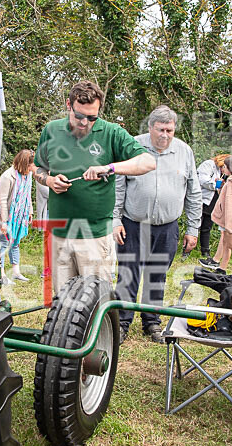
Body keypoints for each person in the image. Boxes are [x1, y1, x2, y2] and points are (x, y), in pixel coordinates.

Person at [34, 80, 156, 294]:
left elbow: (148, 162)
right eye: (79, 116)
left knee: (95, 302)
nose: (85, 123)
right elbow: (37, 168)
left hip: (95, 236)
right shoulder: (51, 130)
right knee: (63, 302)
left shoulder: (111, 132)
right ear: (68, 105)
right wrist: (50, 181)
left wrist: (108, 168)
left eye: (92, 117)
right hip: (59, 234)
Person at [112, 105, 201, 344]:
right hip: (133, 223)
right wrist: (115, 219)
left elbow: (193, 192)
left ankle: (151, 322)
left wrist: (193, 229)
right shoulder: (133, 146)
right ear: (150, 127)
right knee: (128, 273)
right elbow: (118, 186)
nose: (165, 135)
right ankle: (121, 323)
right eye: (160, 129)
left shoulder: (184, 151)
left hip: (167, 226)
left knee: (157, 275)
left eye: (170, 130)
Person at [0, 149, 35, 283]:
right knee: (3, 244)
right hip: (8, 216)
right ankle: (1, 274)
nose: (32, 168)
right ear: (24, 164)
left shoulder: (27, 175)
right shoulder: (7, 176)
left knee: (15, 243)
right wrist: (4, 222)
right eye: (30, 165)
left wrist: (29, 211)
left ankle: (16, 272)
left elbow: (27, 194)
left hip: (21, 216)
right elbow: (2, 200)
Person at [197, 153, 230, 268]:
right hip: (202, 198)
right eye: (222, 167)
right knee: (196, 223)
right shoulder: (208, 165)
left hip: (214, 200)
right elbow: (203, 181)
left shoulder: (226, 172)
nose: (223, 169)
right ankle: (188, 248)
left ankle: (205, 250)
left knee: (207, 225)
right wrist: (216, 184)